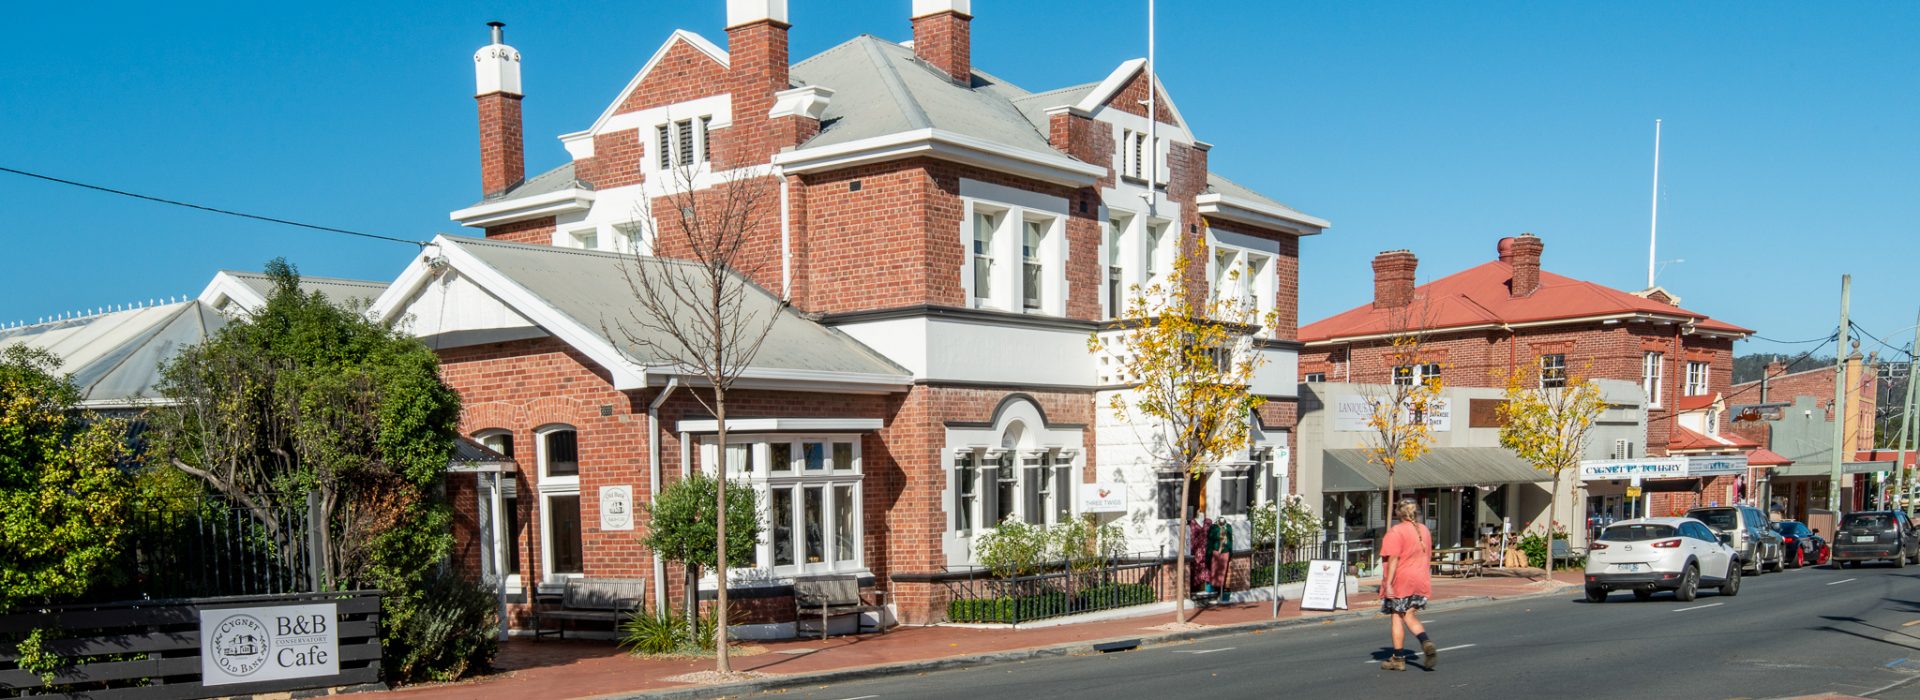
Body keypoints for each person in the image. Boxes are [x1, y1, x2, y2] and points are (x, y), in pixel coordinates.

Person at [1379, 499, 1436, 671]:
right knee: (1410, 615)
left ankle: (1398, 657)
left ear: (1398, 513)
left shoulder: (1396, 531)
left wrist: (1388, 584)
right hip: (1421, 579)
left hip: (1402, 580)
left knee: (1397, 616)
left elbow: (1394, 558)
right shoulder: (1424, 530)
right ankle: (1425, 640)